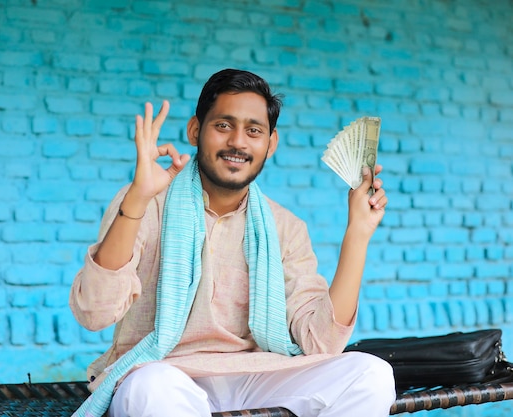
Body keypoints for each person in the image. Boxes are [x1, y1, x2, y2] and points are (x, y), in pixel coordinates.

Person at [69, 68, 396, 417]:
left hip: (256, 377)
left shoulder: (284, 227)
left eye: (253, 131)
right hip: (165, 374)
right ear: (195, 131)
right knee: (151, 390)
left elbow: (321, 343)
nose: (238, 142)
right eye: (223, 125)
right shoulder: (144, 203)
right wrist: (136, 200)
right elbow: (95, 313)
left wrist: (357, 234)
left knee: (370, 374)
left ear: (270, 144)